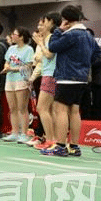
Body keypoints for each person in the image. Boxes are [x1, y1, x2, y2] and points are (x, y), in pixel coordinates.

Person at [41, 5, 101, 157]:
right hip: (82, 78)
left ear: (65, 19)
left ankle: (60, 146)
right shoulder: (88, 35)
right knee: (74, 111)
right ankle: (74, 146)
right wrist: (84, 64)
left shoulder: (70, 34)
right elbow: (98, 54)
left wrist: (58, 30)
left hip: (67, 77)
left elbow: (53, 46)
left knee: (60, 110)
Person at [30, 13, 60, 150]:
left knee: (42, 108)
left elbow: (49, 54)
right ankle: (53, 139)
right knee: (49, 109)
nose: (39, 27)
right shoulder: (47, 38)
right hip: (47, 74)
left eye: (43, 23)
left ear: (51, 23)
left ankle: (50, 140)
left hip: (50, 75)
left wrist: (40, 43)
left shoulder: (52, 38)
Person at [0, 27, 35, 143]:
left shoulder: (29, 49)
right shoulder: (11, 48)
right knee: (12, 108)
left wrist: (12, 69)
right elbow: (7, 62)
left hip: (22, 80)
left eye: (14, 34)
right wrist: (6, 67)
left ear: (21, 37)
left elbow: (28, 66)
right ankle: (14, 132)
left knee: (22, 108)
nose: (12, 36)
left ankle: (24, 134)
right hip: (9, 80)